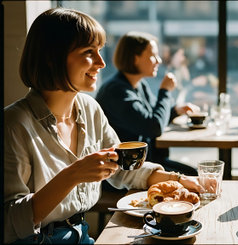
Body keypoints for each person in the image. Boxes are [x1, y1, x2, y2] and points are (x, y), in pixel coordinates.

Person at [3, 8, 201, 244]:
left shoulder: (89, 108)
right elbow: (9, 222)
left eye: (99, 51)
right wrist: (73, 175)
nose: (102, 63)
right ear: (51, 57)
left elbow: (122, 168)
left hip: (83, 235)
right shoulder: (14, 124)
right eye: (89, 52)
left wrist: (179, 180)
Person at [96, 31, 198, 176]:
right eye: (153, 55)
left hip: (143, 162)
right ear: (135, 58)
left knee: (192, 173)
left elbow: (152, 118)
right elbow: (153, 127)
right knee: (191, 175)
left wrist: (175, 110)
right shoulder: (117, 91)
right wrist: (165, 91)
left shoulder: (138, 84)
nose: (159, 60)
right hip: (123, 171)